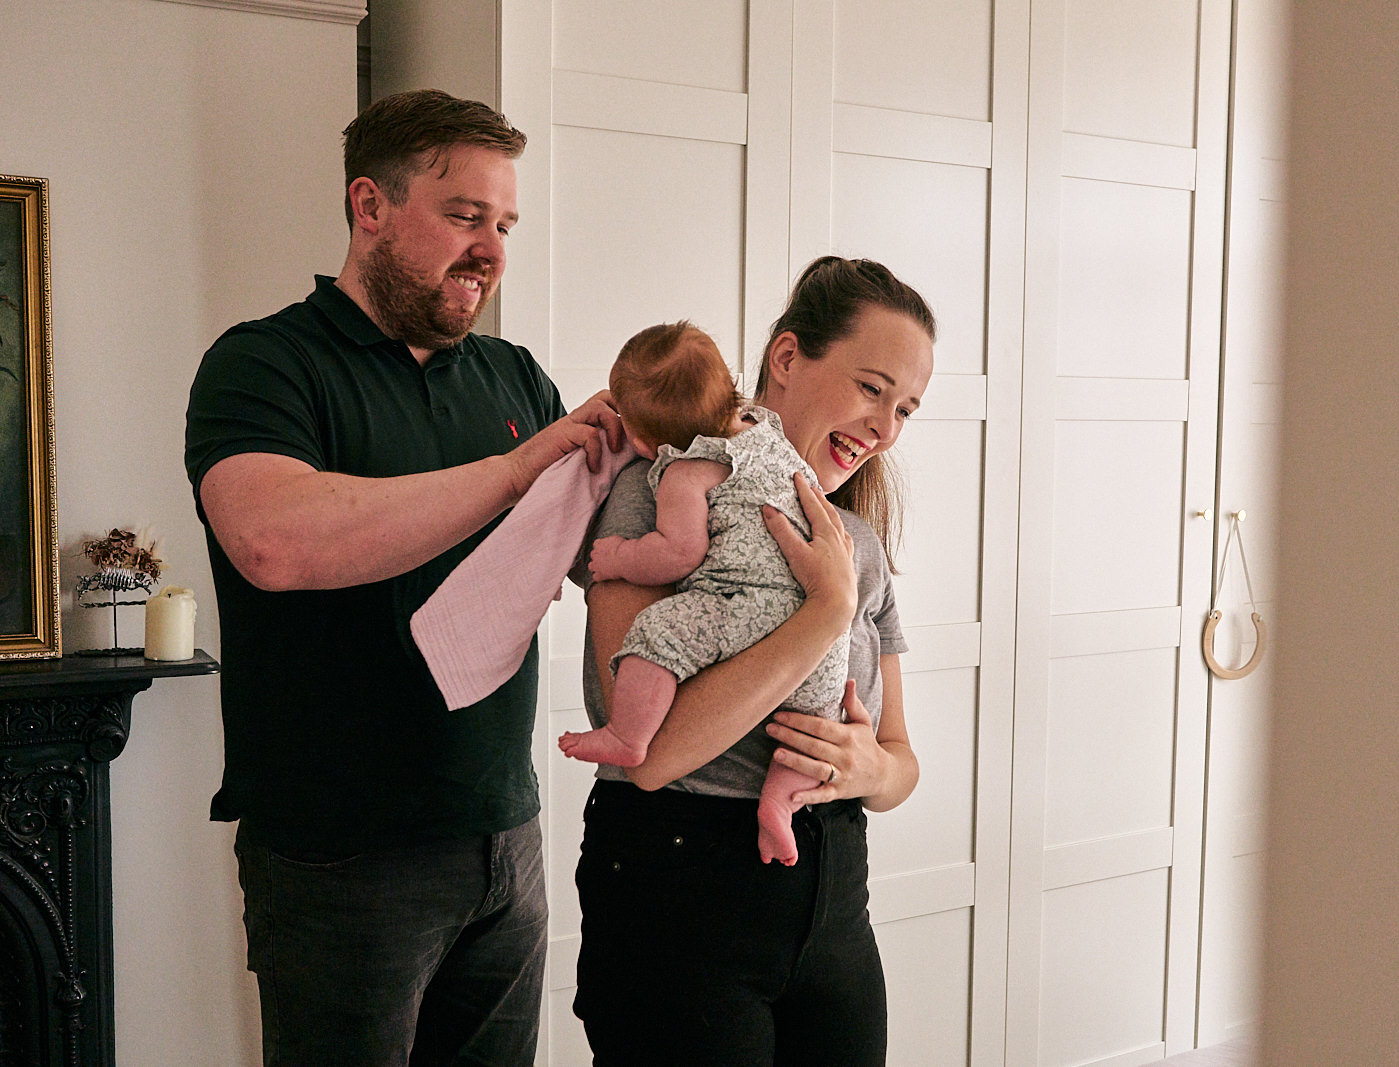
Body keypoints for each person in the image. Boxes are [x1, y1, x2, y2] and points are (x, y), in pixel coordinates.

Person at [183, 88, 622, 1067]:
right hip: (341, 860)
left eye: (503, 224)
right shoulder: (266, 365)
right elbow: (272, 539)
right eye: (465, 215)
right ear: (369, 206)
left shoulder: (515, 380)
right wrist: (513, 472)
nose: (492, 248)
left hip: (506, 836)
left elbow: (597, 562)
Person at [571, 256, 936, 1065]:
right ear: (786, 358)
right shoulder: (664, 491)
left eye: (906, 407)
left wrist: (865, 770)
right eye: (872, 387)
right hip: (680, 890)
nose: (886, 426)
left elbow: (902, 761)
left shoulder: (858, 543)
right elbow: (657, 755)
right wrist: (824, 614)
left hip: (835, 895)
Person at [557, 320, 849, 865]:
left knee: (656, 633)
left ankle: (627, 732)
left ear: (645, 441)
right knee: (809, 723)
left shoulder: (685, 472)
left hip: (744, 605)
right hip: (816, 635)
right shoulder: (769, 434)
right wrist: (831, 609)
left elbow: (679, 553)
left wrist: (620, 555)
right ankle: (780, 805)